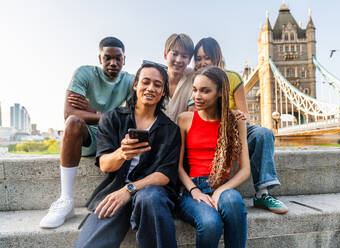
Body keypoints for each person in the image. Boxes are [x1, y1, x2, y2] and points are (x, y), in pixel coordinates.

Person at [74, 61, 180, 248]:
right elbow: (105, 164)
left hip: (151, 193)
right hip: (115, 191)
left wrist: (129, 190)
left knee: (151, 198)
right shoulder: (112, 118)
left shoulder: (170, 129)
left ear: (163, 91)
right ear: (135, 84)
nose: (150, 88)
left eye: (157, 85)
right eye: (145, 82)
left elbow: (165, 174)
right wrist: (122, 153)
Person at [40, 37, 135, 228]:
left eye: (118, 58)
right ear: (100, 59)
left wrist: (93, 112)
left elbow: (132, 116)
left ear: (124, 59)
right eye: (107, 58)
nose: (113, 63)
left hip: (112, 136)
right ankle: (66, 200)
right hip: (88, 136)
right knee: (74, 123)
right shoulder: (84, 73)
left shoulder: (130, 80)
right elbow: (69, 113)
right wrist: (106, 115)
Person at [192, 37, 288, 214]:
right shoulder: (195, 81)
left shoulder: (233, 77)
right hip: (210, 132)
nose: (202, 62)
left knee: (263, 134)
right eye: (198, 58)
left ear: (217, 56)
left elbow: (245, 115)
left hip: (235, 129)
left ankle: (262, 192)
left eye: (207, 57)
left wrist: (232, 116)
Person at [177, 66, 251, 248]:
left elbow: (245, 170)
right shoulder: (185, 119)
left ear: (220, 92)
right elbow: (177, 166)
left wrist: (219, 191)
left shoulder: (235, 121)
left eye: (205, 91)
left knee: (233, 202)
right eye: (195, 90)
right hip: (192, 189)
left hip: (222, 185)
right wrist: (195, 191)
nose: (197, 96)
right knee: (211, 224)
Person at [163, 33, 194, 122]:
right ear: (165, 55)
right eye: (175, 54)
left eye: (184, 56)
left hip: (183, 133)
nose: (178, 60)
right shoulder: (156, 77)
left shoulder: (194, 78)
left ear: (189, 60)